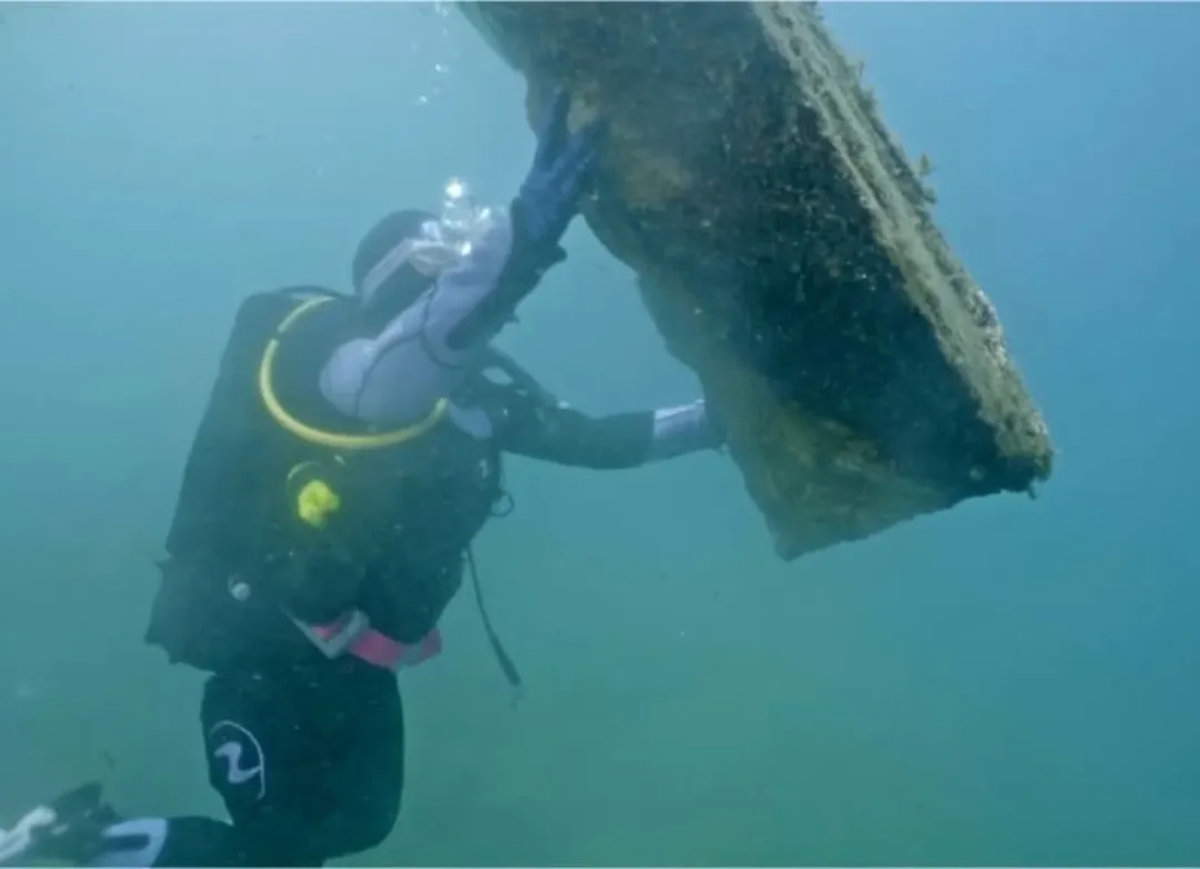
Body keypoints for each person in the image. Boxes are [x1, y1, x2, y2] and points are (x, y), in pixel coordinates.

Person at [0, 89, 721, 867]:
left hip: (358, 665)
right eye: (437, 284)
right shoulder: (322, 355)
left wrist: (720, 422)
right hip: (263, 656)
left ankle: (91, 840)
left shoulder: (470, 395)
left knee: (359, 825)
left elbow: (596, 440)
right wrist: (516, 249)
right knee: (281, 853)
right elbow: (388, 379)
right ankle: (78, 842)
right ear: (397, 295)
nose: (471, 315)